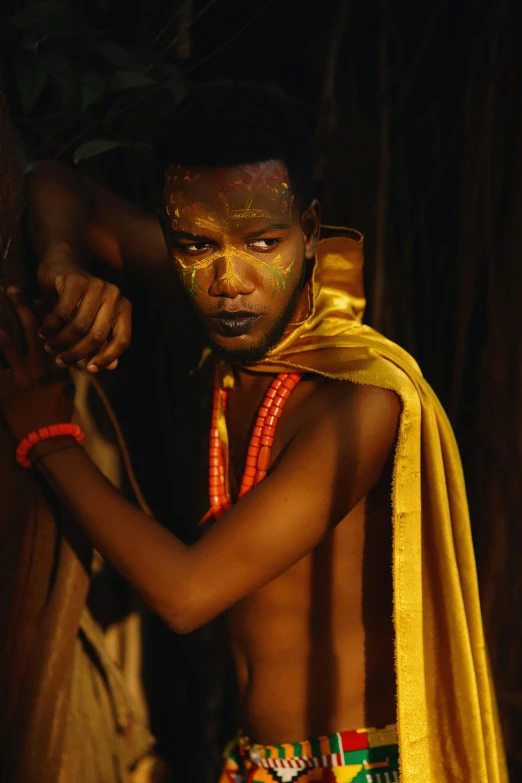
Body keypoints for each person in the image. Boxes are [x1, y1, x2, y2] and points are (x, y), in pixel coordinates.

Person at [0, 84, 507, 783]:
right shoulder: (224, 294)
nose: (229, 279)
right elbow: (54, 183)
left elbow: (186, 593)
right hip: (252, 762)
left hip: (354, 768)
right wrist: (62, 263)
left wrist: (48, 438)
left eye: (264, 241)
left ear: (309, 231)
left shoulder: (357, 402)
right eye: (195, 245)